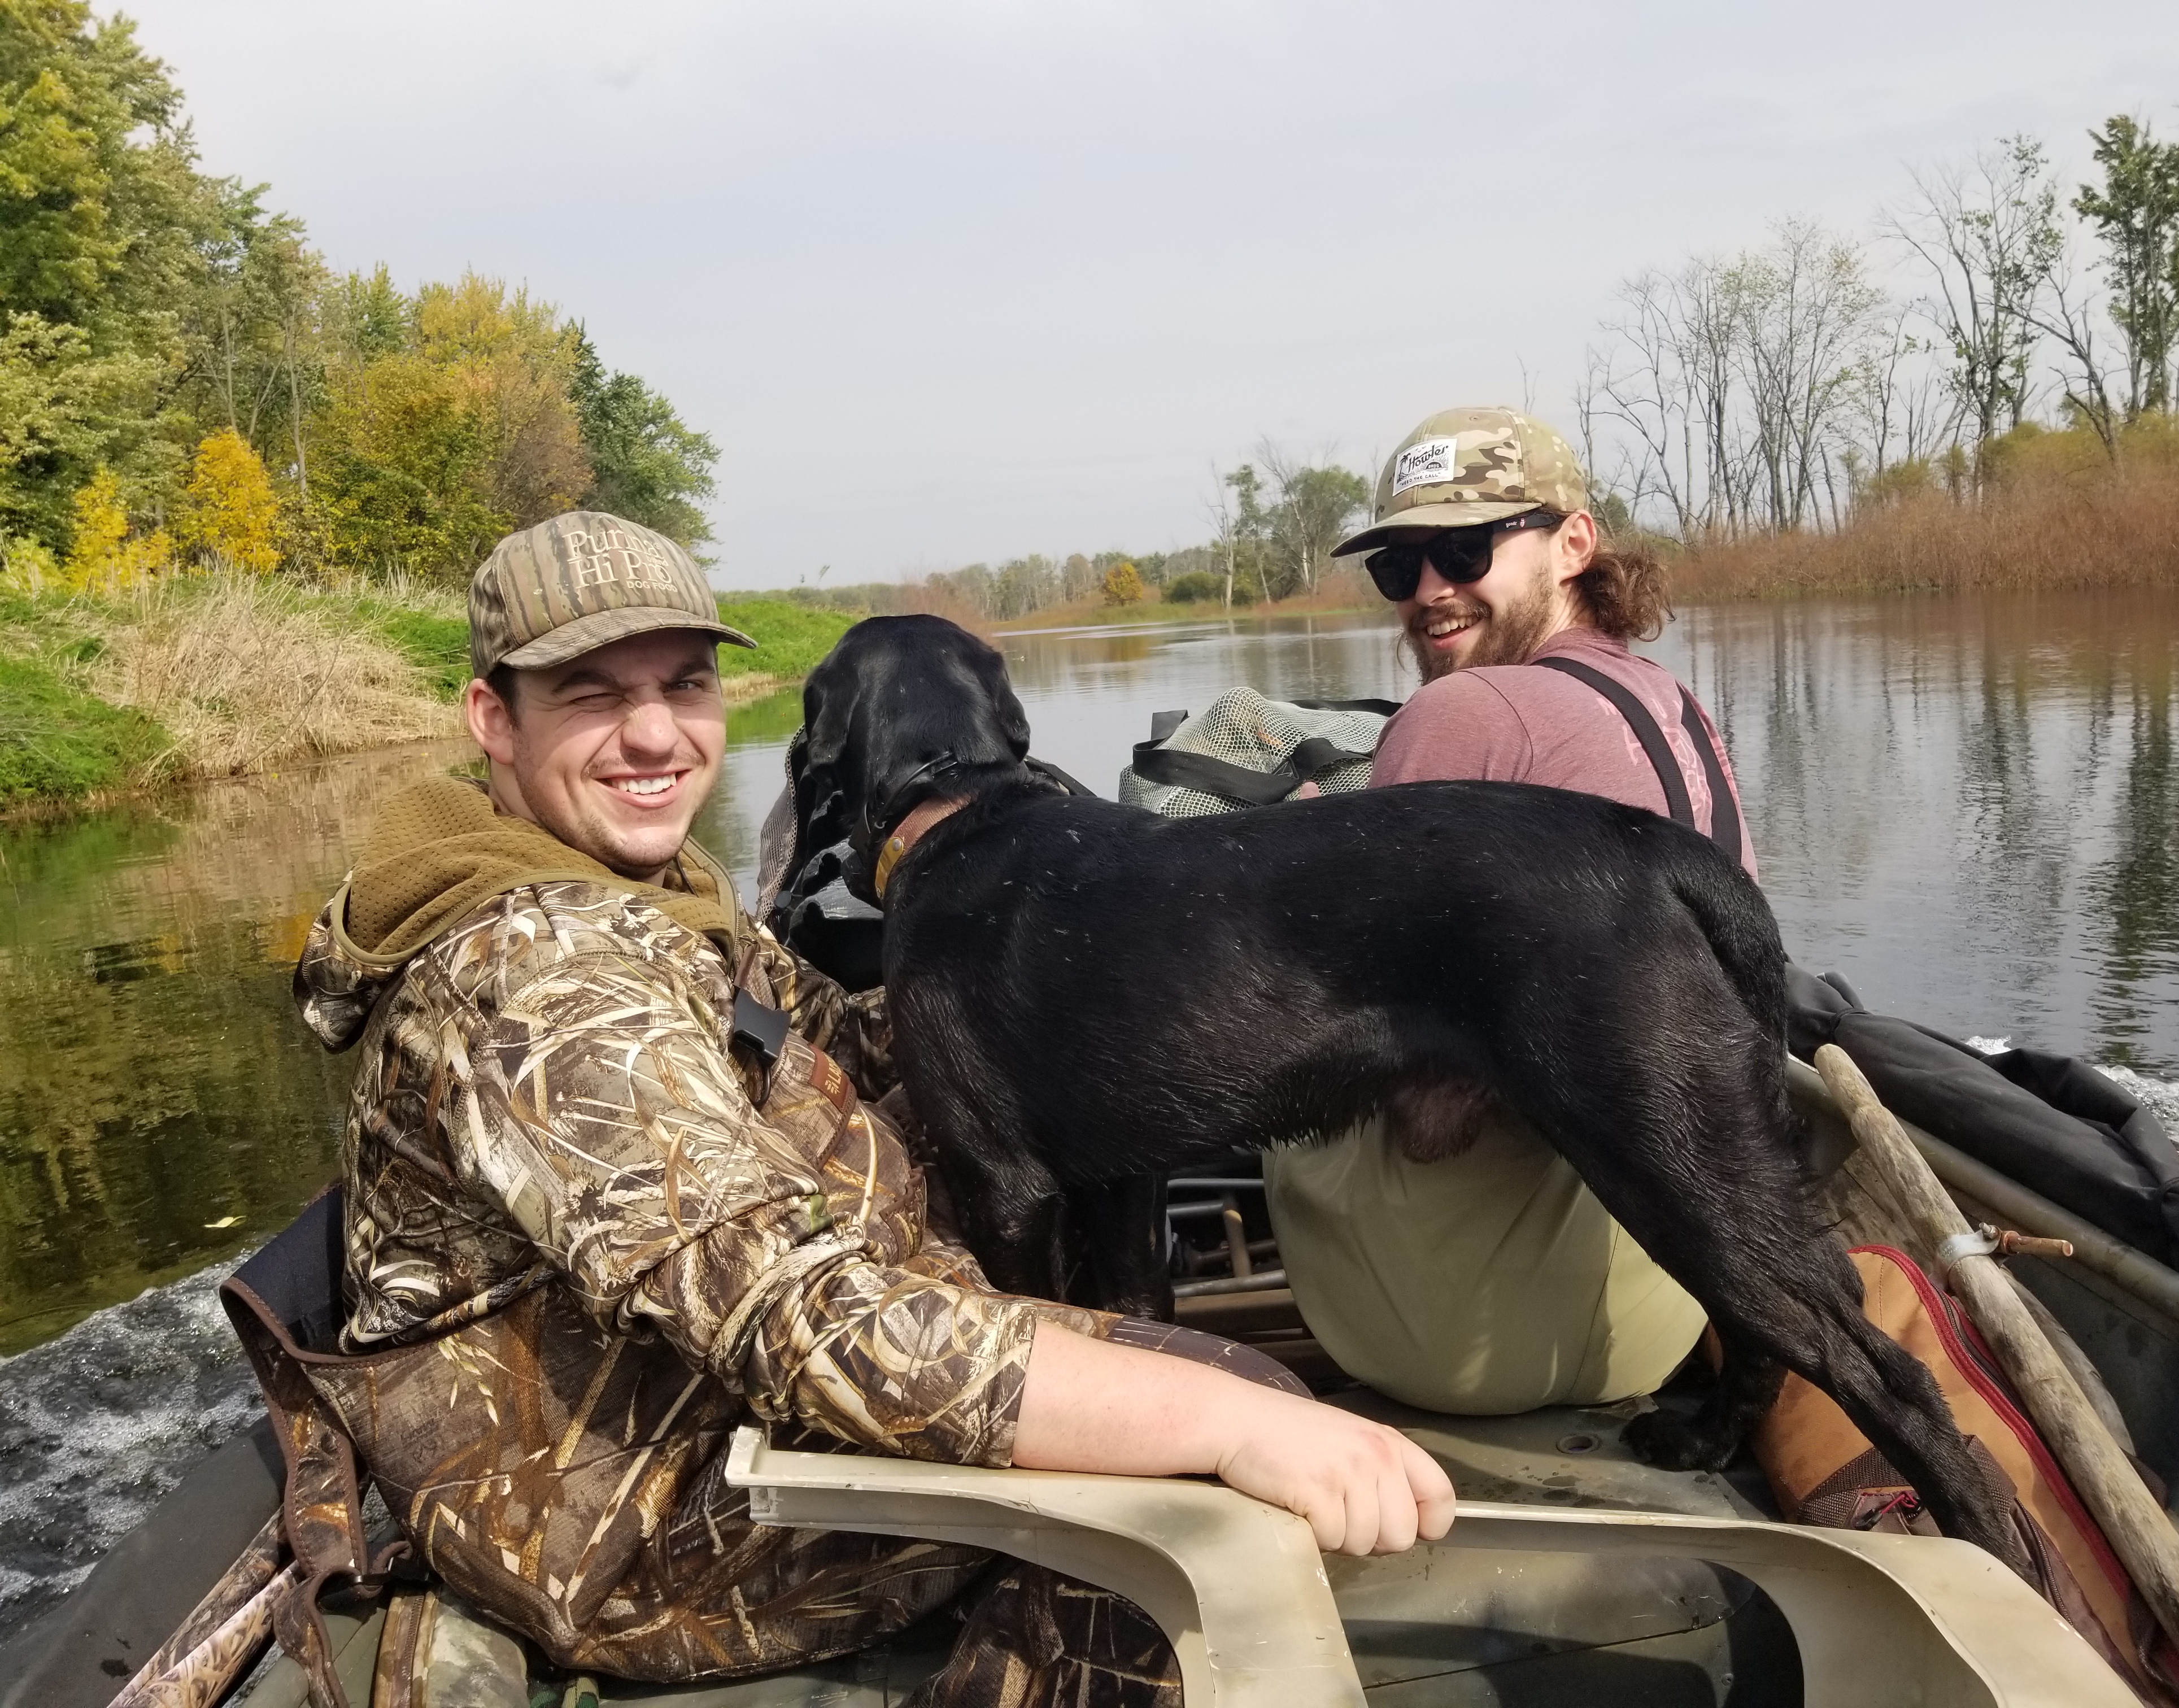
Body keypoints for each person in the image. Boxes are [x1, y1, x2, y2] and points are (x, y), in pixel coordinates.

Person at [277, 512, 1452, 1702]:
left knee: (1192, 1386)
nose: (655, 736)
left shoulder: (657, 900)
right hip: (633, 1523)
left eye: (685, 686)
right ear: (494, 720)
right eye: (591, 695)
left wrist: (1160, 972)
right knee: (1212, 1458)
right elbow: (793, 1317)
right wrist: (1220, 1424)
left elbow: (863, 1046)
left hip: (712, 1411)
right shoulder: (538, 973)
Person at [1263, 408, 1757, 1417]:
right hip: (1659, 1309)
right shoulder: (1674, 704)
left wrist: (1298, 875)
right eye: (1400, 568)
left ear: (1574, 541)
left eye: (1465, 548)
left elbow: (1423, 1117)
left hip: (1467, 1337)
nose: (1431, 591)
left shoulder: (1460, 715)